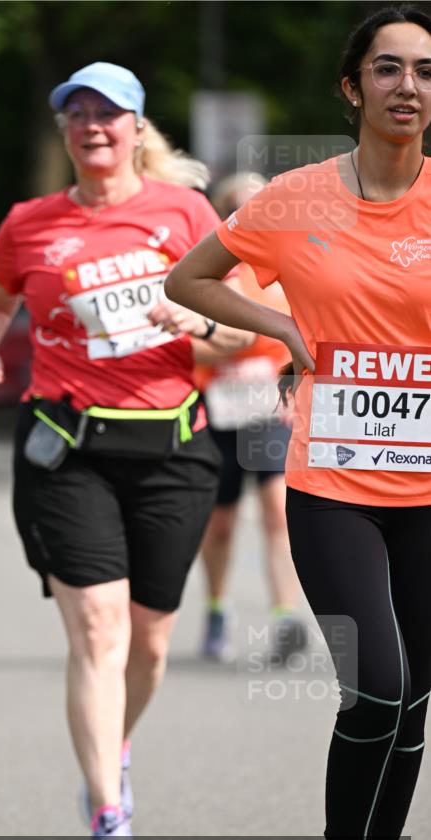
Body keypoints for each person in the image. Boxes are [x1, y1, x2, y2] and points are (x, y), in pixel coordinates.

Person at [165, 5, 431, 840]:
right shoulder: (294, 199)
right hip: (333, 485)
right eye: (389, 68)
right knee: (378, 684)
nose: (410, 86)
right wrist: (279, 329)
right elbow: (192, 280)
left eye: (426, 71)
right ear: (351, 87)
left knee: (417, 702)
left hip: (430, 494)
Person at [0, 62, 253, 840]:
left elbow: (243, 333)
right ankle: (106, 814)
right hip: (66, 446)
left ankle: (112, 749)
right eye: (77, 114)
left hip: (172, 447)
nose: (93, 126)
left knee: (149, 646)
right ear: (64, 131)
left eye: (108, 114)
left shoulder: (183, 212)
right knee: (96, 628)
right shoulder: (29, 222)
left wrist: (190, 316)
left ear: (135, 128)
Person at [193, 172, 307, 666]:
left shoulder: (292, 270)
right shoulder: (214, 273)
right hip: (217, 406)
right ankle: (218, 610)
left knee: (277, 513)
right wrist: (220, 348)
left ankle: (286, 620)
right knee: (218, 525)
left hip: (269, 407)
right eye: (242, 205)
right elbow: (186, 342)